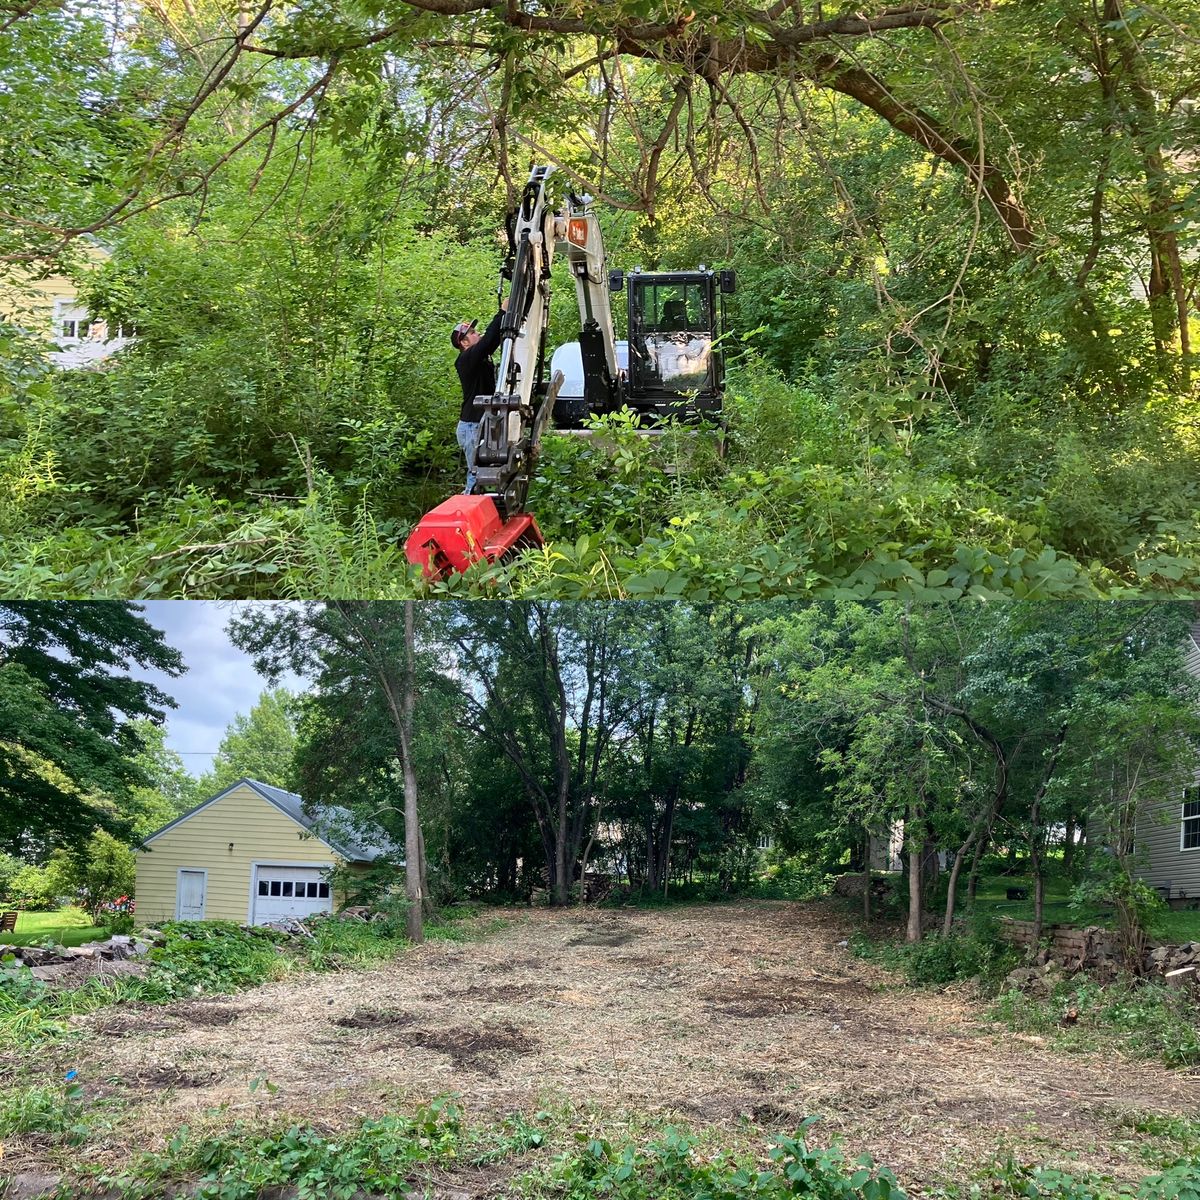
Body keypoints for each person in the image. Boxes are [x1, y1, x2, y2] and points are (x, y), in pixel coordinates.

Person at [452, 296, 508, 493]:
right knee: (476, 474)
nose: (478, 334)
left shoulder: (477, 358)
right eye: (473, 333)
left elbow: (491, 342)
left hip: (478, 424)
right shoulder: (466, 359)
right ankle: (469, 506)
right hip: (472, 426)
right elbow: (489, 342)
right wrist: (502, 313)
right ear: (464, 343)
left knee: (480, 472)